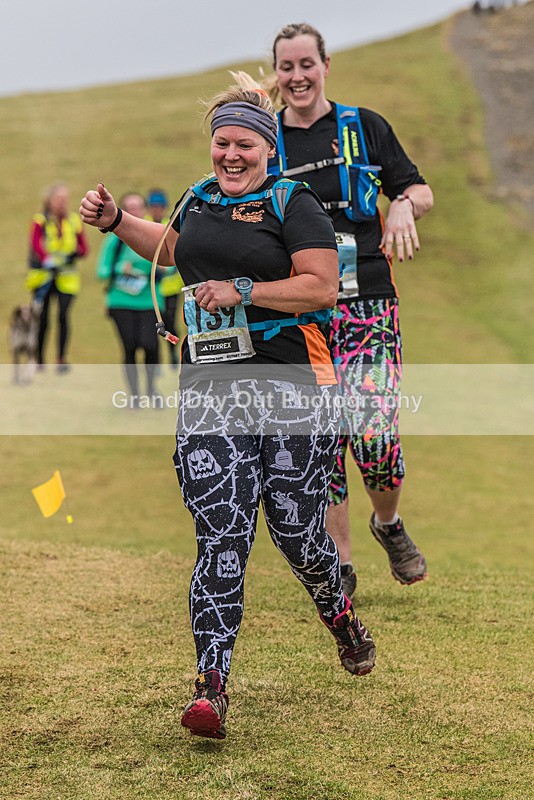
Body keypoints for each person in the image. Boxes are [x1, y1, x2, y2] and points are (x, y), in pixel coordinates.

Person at [80, 71, 376, 741]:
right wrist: (117, 221)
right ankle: (210, 687)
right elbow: (176, 250)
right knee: (223, 535)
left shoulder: (293, 204)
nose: (230, 156)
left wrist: (242, 288)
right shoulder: (199, 199)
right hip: (212, 396)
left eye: (243, 145)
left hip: (295, 393)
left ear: (267, 148)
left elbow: (321, 287)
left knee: (300, 536)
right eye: (221, 146)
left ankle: (339, 616)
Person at [266, 23, 434, 597]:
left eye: (306, 64)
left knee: (374, 434)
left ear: (325, 65)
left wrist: (404, 208)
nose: (297, 77)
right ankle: (341, 563)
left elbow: (419, 188)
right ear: (277, 73)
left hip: (368, 301)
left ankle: (388, 524)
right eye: (286, 67)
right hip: (305, 312)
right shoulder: (271, 144)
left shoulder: (364, 126)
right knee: (323, 439)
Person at [96, 192, 163, 406]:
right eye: (129, 207)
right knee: (130, 346)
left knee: (151, 346)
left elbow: (170, 265)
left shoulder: (155, 234)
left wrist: (157, 269)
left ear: (144, 209)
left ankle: (151, 390)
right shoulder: (113, 240)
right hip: (121, 302)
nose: (134, 211)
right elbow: (102, 271)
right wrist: (120, 269)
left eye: (137, 207)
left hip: (149, 302)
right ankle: (134, 396)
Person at [26, 183, 88, 371]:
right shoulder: (40, 221)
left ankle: (61, 358)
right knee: (42, 318)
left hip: (67, 279)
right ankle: (39, 359)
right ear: (49, 201)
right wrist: (48, 260)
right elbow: (35, 245)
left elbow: (84, 248)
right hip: (43, 278)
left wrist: (73, 254)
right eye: (58, 199)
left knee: (63, 315)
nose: (62, 203)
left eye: (65, 199)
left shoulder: (74, 221)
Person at [146, 188, 183, 367]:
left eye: (159, 206)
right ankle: (157, 360)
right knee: (152, 326)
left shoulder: (172, 224)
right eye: (153, 206)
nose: (156, 210)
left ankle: (172, 353)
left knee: (170, 322)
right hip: (151, 288)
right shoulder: (143, 224)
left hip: (170, 287)